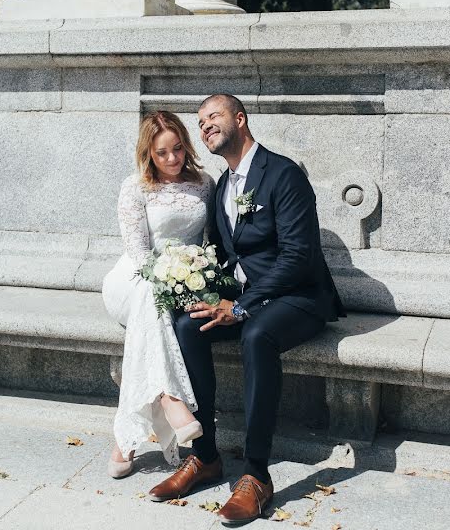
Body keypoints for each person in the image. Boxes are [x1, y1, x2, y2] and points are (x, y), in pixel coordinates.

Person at [147, 94, 345, 525]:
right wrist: (199, 288)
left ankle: (256, 475)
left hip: (299, 297)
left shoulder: (284, 174)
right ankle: (205, 457)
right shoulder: (222, 188)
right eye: (200, 123)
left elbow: (298, 256)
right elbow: (222, 254)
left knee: (258, 335)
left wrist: (241, 307)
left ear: (240, 118)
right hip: (248, 299)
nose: (205, 126)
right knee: (187, 325)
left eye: (213, 116)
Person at [102, 110, 217, 478]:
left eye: (178, 149)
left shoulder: (204, 183)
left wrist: (198, 277)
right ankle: (171, 399)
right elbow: (137, 251)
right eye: (162, 153)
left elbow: (210, 242)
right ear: (148, 153)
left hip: (186, 278)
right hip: (135, 278)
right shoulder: (134, 186)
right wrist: (168, 280)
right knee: (153, 302)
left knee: (155, 319)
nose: (172, 159)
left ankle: (125, 441)